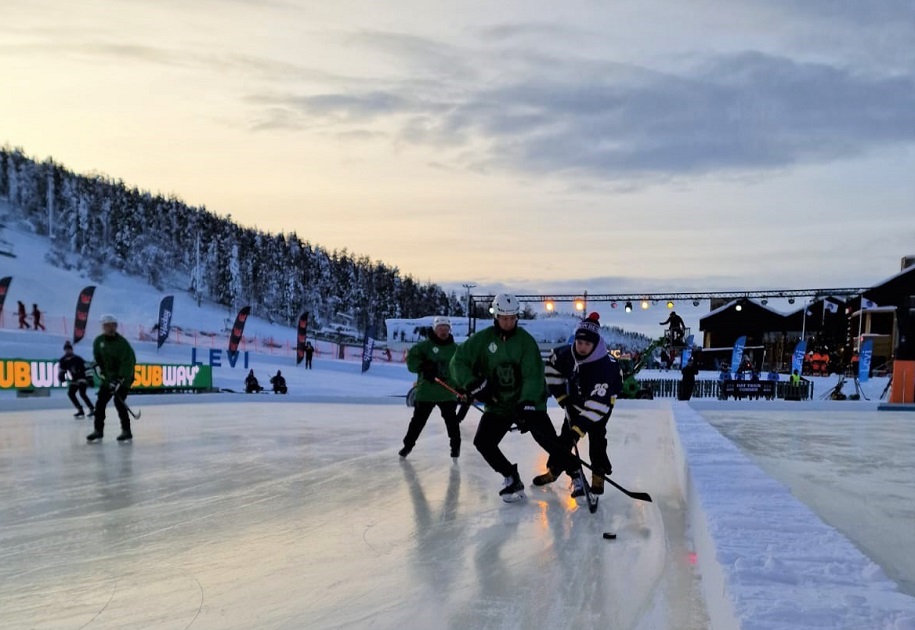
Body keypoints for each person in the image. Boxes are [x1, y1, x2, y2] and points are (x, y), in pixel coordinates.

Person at [450, 293, 577, 502]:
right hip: (497, 405)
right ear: (496, 317)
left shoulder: (526, 342)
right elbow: (458, 362)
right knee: (483, 442)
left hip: (527, 405)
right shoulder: (482, 340)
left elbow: (533, 375)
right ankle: (511, 477)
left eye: (512, 318)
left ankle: (576, 474)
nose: (508, 322)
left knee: (549, 442)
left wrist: (526, 403)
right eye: (504, 318)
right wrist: (472, 384)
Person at [535, 313, 622, 495]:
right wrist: (561, 397)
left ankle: (598, 479)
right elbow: (551, 369)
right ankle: (553, 471)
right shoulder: (565, 354)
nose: (582, 348)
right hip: (575, 401)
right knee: (564, 441)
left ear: (595, 344)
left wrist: (578, 430)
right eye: (579, 343)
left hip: (601, 406)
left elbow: (597, 405)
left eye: (587, 344)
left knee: (597, 441)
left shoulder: (603, 368)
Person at [400, 316, 461, 460]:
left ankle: (455, 446)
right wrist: (423, 366)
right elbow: (411, 363)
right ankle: (408, 445)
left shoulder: (456, 349)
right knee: (418, 421)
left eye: (446, 329)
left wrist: (462, 386)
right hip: (426, 392)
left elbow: (461, 367)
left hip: (447, 392)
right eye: (440, 328)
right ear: (435, 329)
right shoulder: (424, 347)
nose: (443, 331)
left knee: (452, 421)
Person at [87, 314, 136, 442]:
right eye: (107, 325)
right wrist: (97, 365)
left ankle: (126, 430)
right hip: (108, 378)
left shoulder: (122, 344)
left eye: (112, 325)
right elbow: (97, 358)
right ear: (103, 327)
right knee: (100, 402)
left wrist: (119, 379)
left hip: (124, 379)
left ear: (116, 326)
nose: (110, 328)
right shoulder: (98, 341)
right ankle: (98, 430)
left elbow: (128, 363)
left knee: (119, 402)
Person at [58, 340, 95, 418]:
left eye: (69, 349)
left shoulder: (78, 359)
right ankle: (80, 410)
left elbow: (87, 368)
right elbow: (62, 370)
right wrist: (61, 376)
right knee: (71, 393)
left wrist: (90, 378)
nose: (68, 351)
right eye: (66, 350)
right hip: (74, 379)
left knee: (82, 393)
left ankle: (92, 408)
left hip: (82, 377)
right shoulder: (63, 360)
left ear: (72, 350)